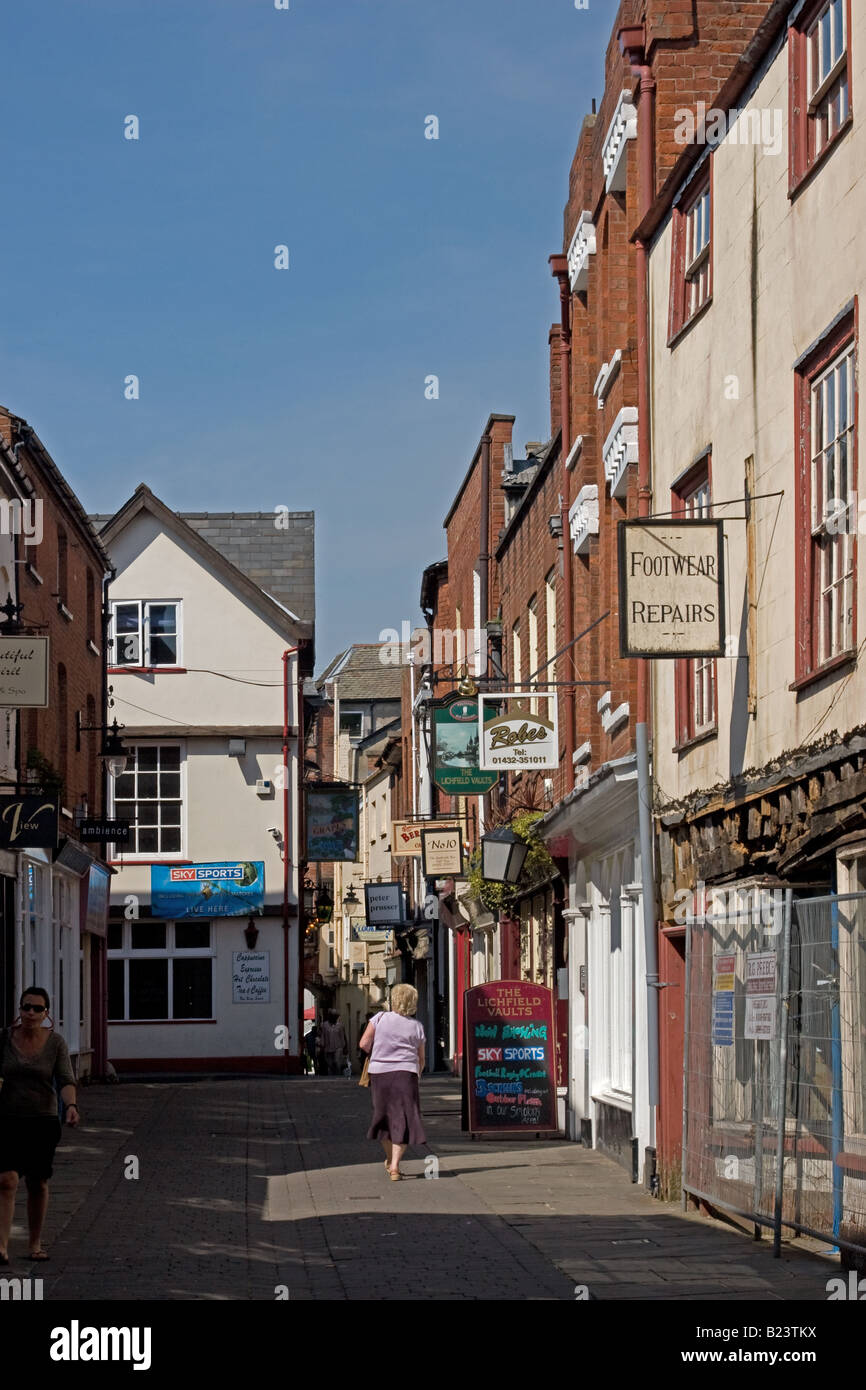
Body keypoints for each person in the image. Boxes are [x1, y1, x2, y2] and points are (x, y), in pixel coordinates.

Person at [0, 987, 80, 1265]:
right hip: (7, 1120)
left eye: (37, 1009)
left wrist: (70, 1106)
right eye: (26, 1007)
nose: (31, 1013)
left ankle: (35, 1243)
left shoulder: (55, 1043)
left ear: (47, 1013)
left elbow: (66, 1080)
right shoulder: (4, 1039)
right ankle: (1, 1246)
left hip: (42, 1122)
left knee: (37, 1182)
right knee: (6, 1179)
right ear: (19, 1010)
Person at [360, 984, 426, 1180]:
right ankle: (394, 1166)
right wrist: (417, 1072)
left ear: (394, 999)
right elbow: (421, 1058)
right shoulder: (416, 1026)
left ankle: (390, 1161)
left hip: (380, 1074)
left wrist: (379, 1052)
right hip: (406, 1074)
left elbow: (364, 1043)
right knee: (403, 1120)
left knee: (383, 1118)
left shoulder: (378, 1018)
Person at [321, 1009, 348, 1076]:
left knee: (336, 1061)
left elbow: (343, 1036)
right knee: (330, 1063)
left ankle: (338, 1075)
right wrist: (322, 1045)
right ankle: (333, 1074)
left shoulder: (340, 1025)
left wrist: (345, 1047)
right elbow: (323, 1035)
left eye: (335, 1016)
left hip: (338, 1047)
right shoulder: (325, 1025)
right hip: (328, 1047)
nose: (333, 1017)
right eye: (332, 1016)